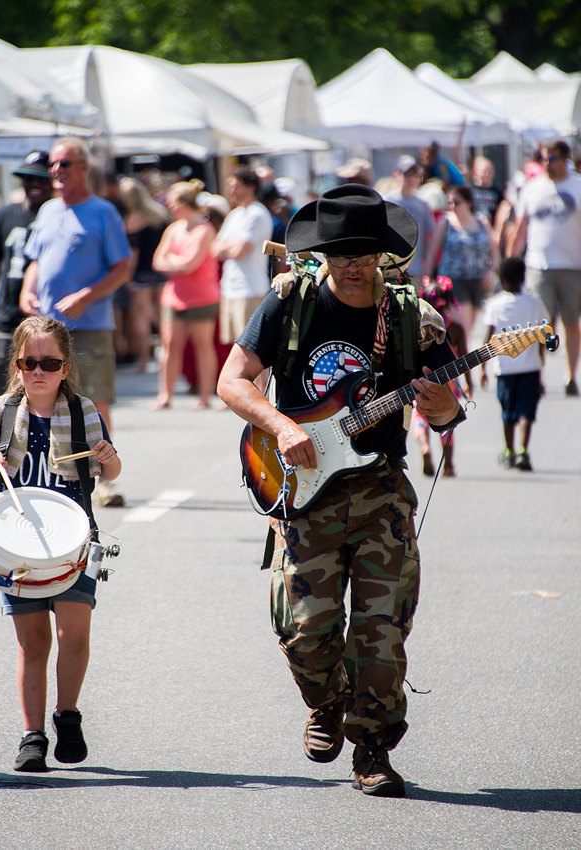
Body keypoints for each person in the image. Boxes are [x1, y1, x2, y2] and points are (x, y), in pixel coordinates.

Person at [217, 185, 465, 798]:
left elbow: (446, 413)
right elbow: (232, 380)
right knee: (306, 634)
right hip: (305, 492)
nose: (353, 263)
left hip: (382, 491)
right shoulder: (290, 305)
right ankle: (325, 701)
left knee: (381, 635)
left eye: (364, 251)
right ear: (322, 253)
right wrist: (281, 424)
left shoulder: (414, 317)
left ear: (383, 254)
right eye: (340, 252)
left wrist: (441, 405)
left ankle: (373, 747)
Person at [0, 316, 122, 772]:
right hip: (18, 542)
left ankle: (67, 716)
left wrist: (109, 460)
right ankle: (32, 735)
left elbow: (109, 472)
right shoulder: (1, 410)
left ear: (65, 367)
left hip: (73, 537)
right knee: (33, 643)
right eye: (29, 362)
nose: (38, 372)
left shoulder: (83, 412)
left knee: (74, 636)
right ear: (16, 365)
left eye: (49, 363)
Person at [20, 137, 131, 507]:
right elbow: (35, 261)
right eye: (53, 164)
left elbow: (122, 268)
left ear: (84, 168)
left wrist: (87, 296)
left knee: (96, 402)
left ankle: (104, 481)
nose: (56, 171)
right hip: (48, 329)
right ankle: (46, 473)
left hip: (91, 325)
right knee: (44, 398)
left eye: (65, 164)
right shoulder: (48, 211)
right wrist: (27, 292)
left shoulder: (104, 212)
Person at [0, 151, 54, 405]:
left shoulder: (60, 217)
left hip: (49, 323)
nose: (34, 184)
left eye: (41, 179)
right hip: (7, 320)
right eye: (28, 178)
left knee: (45, 402)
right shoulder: (3, 216)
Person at [508, 140, 581, 396]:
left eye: (553, 158)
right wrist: (510, 264)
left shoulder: (577, 186)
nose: (548, 163)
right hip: (539, 266)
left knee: (572, 322)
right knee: (540, 324)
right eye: (545, 158)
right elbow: (520, 229)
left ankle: (571, 376)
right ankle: (536, 376)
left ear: (565, 160)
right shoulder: (532, 188)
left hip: (573, 266)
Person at [151, 180, 221, 410]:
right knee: (170, 345)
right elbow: (157, 261)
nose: (169, 207)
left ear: (182, 203)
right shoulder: (174, 229)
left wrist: (173, 261)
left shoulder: (204, 229)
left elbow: (190, 264)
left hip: (202, 296)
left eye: (172, 202)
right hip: (175, 296)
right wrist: (176, 263)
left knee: (203, 344)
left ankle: (204, 396)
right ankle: (165, 395)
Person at [481, 258, 547, 471]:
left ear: (500, 279)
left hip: (505, 369)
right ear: (523, 277)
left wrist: (483, 368)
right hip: (531, 368)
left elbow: (488, 339)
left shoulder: (494, 304)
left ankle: (509, 452)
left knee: (507, 411)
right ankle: (523, 450)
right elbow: (543, 334)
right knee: (527, 410)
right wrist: (541, 357)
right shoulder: (535, 303)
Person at [413, 276, 472, 477]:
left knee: (421, 416)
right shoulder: (455, 328)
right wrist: (468, 384)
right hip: (448, 383)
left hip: (421, 381)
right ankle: (448, 466)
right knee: (447, 420)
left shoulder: (417, 326)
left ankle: (425, 447)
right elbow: (464, 359)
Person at [211, 167, 273, 350]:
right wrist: (231, 246)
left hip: (250, 289)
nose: (232, 191)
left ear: (251, 187)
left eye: (236, 186)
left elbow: (240, 250)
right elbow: (214, 248)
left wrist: (228, 247)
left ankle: (259, 381)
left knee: (253, 349)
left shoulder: (257, 213)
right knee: (237, 348)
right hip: (230, 288)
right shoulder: (235, 214)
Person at [425, 185, 500, 336]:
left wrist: (492, 271)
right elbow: (432, 253)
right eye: (450, 202)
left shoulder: (482, 222)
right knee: (463, 326)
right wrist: (427, 280)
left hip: (478, 280)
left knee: (471, 327)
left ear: (468, 203)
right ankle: (463, 357)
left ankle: (461, 355)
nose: (452, 206)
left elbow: (495, 251)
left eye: (457, 202)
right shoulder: (445, 222)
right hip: (454, 280)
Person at [118, 176, 170, 372]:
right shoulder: (160, 213)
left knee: (143, 316)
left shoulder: (133, 219)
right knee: (161, 315)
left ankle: (144, 360)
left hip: (141, 274)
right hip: (161, 271)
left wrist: (127, 278)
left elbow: (133, 254)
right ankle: (168, 351)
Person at [385, 156, 435, 290]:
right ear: (397, 174)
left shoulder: (423, 203)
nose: (411, 178)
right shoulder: (386, 200)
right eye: (408, 173)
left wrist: (428, 269)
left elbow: (429, 238)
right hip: (391, 266)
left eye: (415, 174)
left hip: (416, 268)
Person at [469, 155, 505, 225]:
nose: (487, 174)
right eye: (484, 171)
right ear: (476, 172)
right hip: (474, 226)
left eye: (490, 171)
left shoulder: (498, 192)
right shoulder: (470, 190)